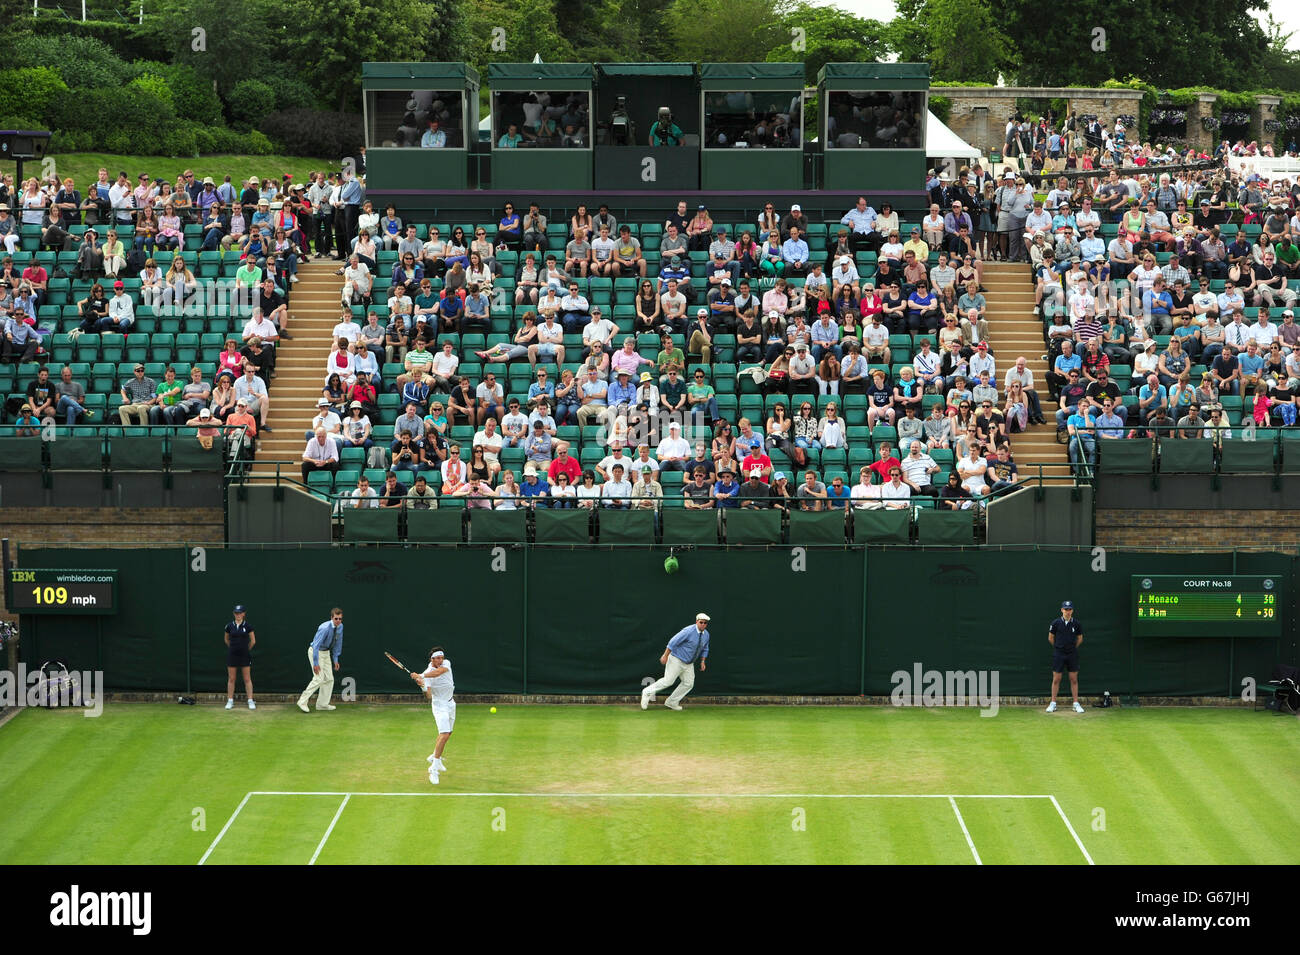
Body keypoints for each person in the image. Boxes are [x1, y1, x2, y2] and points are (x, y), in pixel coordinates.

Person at [640, 612, 711, 711]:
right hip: (676, 659)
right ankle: (647, 692)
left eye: (705, 623)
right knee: (668, 681)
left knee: (688, 683)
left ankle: (671, 702)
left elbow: (705, 648)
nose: (703, 624)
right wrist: (665, 655)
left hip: (689, 663)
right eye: (701, 622)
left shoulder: (706, 635)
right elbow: (673, 642)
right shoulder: (687, 631)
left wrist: (703, 661)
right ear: (696, 622)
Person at [412, 647, 455, 784]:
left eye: (441, 657)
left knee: (448, 734)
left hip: (450, 703)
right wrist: (422, 686)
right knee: (444, 734)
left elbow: (439, 673)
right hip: (439, 705)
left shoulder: (445, 664)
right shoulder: (427, 673)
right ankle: (434, 768)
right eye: (437, 658)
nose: (440, 660)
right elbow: (429, 696)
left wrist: (421, 676)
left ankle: (435, 756)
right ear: (432, 659)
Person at [297, 607, 344, 713]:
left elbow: (338, 643)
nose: (338, 621)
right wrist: (316, 662)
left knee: (329, 679)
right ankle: (302, 701)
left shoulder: (340, 627)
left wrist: (335, 659)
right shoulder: (324, 628)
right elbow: (316, 645)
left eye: (340, 619)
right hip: (316, 652)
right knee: (319, 678)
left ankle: (322, 704)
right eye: (336, 618)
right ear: (331, 618)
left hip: (326, 653)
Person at [1047, 599, 1085, 713]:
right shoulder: (1055, 623)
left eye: (1069, 609)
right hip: (1059, 654)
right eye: (1065, 609)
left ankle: (1075, 703)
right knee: (1056, 679)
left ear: (1072, 611)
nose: (1067, 611)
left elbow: (1080, 639)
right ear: (1062, 610)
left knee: (1073, 679)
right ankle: (1053, 703)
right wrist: (1059, 647)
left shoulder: (1077, 624)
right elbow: (1050, 638)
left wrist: (1072, 648)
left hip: (1072, 654)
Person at [223, 604, 256, 711]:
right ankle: (230, 701)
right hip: (232, 655)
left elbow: (253, 641)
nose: (238, 615)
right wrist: (233, 648)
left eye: (240, 613)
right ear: (234, 614)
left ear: (243, 614)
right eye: (236, 613)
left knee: (247, 679)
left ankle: (250, 700)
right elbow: (226, 640)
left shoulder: (248, 626)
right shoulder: (229, 626)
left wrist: (245, 650)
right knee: (231, 679)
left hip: (245, 656)